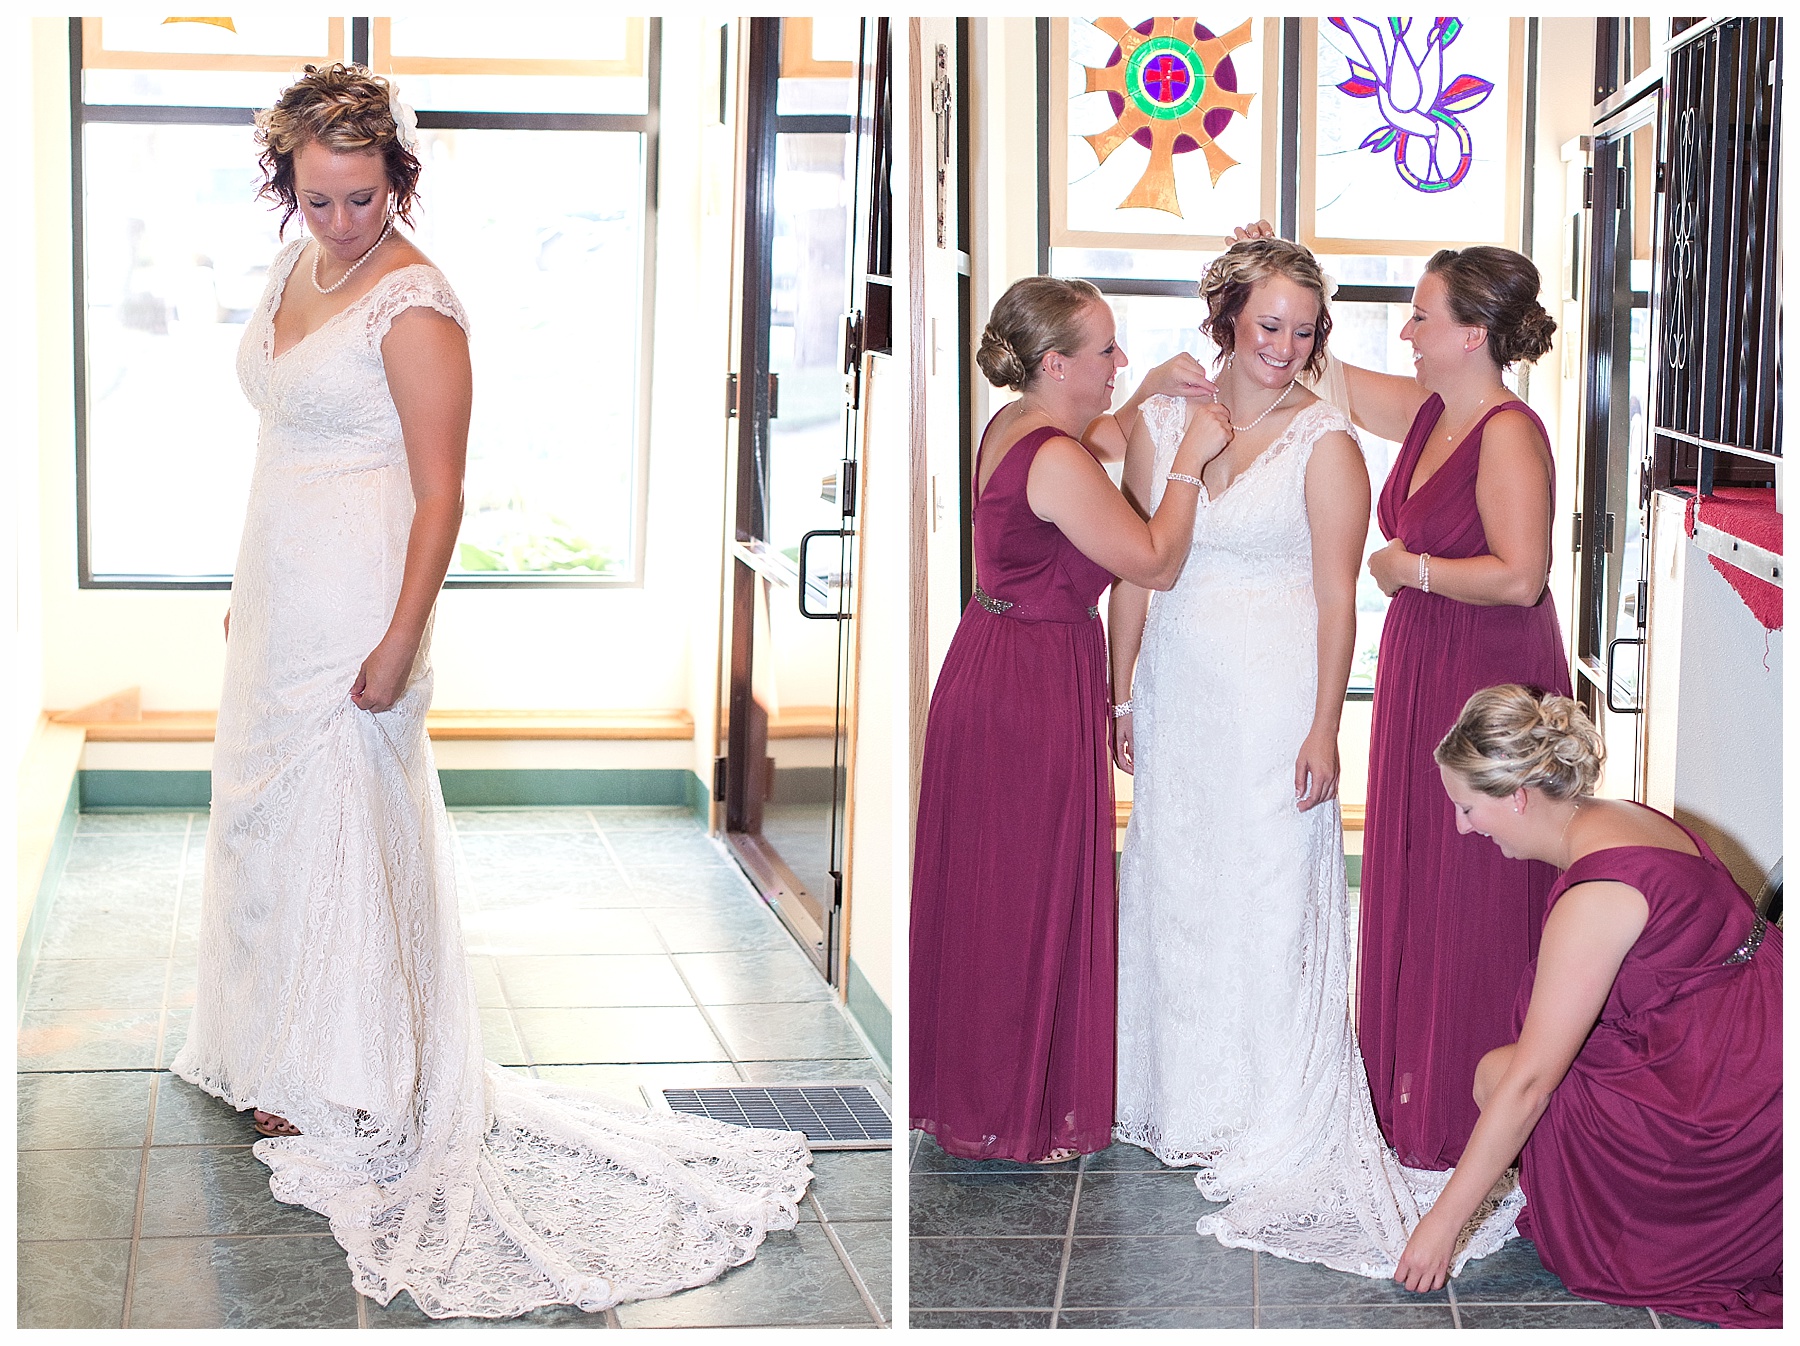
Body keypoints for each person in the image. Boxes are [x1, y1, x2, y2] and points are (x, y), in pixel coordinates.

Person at [170, 64, 812, 1320]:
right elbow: (280, 439)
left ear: (398, 182)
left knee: (341, 821)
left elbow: (441, 492)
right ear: (286, 184)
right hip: (281, 589)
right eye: (317, 198)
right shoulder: (295, 266)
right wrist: (252, 584)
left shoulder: (416, 306)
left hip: (362, 598)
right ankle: (266, 1039)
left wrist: (401, 633)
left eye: (363, 198)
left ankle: (345, 1072)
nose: (341, 221)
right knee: (263, 822)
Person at [1106, 237, 1517, 1275]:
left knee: (1267, 890)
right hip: (1177, 694)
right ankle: (1175, 1093)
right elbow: (1137, 571)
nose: (1285, 346)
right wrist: (1121, 689)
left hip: (1275, 698)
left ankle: (1262, 1105)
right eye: (1268, 325)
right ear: (1227, 322)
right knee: (1177, 879)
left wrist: (1327, 723)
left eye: (1303, 329)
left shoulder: (1326, 441)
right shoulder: (1165, 423)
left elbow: (1341, 596)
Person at [1231, 220, 1569, 1171]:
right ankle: (1407, 1086)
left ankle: (1467, 1106)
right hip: (1426, 663)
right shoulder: (1431, 410)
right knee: (1419, 871)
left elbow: (1522, 577)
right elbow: (1317, 373)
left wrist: (1407, 568)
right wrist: (1269, 265)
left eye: (1421, 317)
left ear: (1473, 335)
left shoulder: (1508, 432)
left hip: (1486, 673)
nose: (1408, 333)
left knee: (1475, 884)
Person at [909, 276, 1233, 1164]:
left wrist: (1149, 391)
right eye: (1106, 350)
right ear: (1056, 364)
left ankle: (990, 1093)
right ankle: (1010, 1107)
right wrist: (1189, 462)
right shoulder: (1056, 459)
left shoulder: (1016, 424)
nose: (1119, 360)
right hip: (1029, 686)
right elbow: (1154, 562)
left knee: (998, 893)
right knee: (1024, 894)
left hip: (995, 659)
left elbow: (1101, 438)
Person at [1397, 686, 1781, 1329]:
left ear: (1518, 797)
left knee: (1499, 1076)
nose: (1463, 826)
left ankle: (1641, 1225)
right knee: (1518, 1069)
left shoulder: (1596, 894)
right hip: (1752, 1041)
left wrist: (1442, 1225)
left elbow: (1530, 1085)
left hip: (1731, 1102)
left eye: (1466, 807)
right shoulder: (1618, 815)